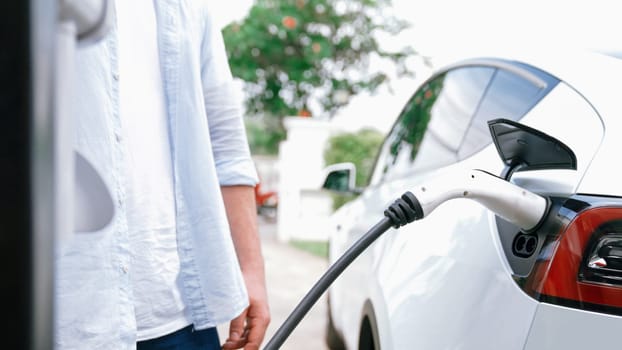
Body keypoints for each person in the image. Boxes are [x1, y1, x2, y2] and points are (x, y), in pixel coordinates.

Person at [55, 1, 270, 349]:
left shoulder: (187, 7)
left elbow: (225, 140)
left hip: (181, 315)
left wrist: (251, 270)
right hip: (62, 318)